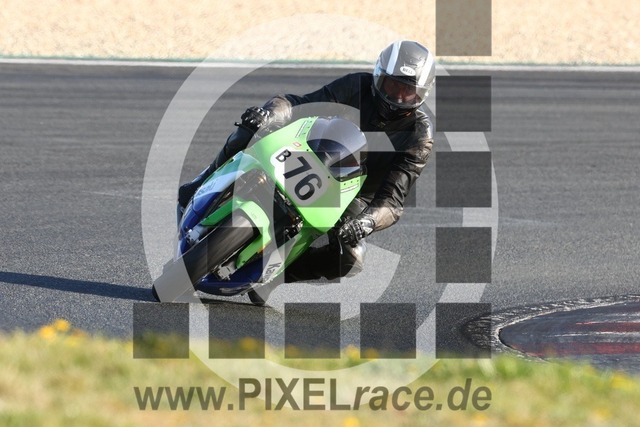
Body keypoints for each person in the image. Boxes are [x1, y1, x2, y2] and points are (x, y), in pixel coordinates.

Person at [177, 40, 436, 305]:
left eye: (408, 91)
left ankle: (278, 276)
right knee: (251, 128)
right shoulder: (357, 85)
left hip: (353, 194)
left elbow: (393, 201)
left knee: (351, 259)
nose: (398, 97)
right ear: (379, 76)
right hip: (311, 150)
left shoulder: (420, 136)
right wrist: (269, 114)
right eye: (393, 85)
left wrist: (367, 222)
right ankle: (202, 181)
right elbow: (301, 104)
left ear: (422, 94)